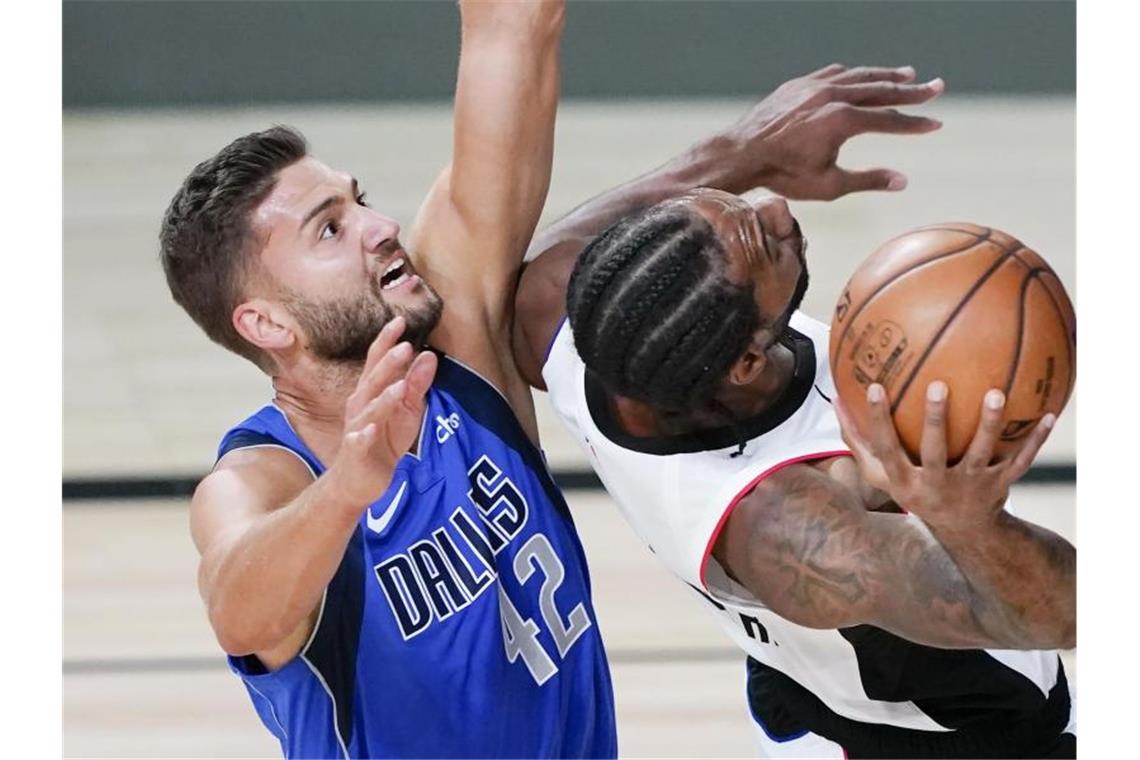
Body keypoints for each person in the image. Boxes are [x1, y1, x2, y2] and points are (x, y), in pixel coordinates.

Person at [513, 67, 1076, 757]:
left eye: (734, 206)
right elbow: (1066, 613)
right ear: (746, 363)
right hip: (944, 735)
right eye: (763, 242)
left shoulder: (585, 330)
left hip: (803, 697)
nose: (778, 211)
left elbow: (551, 264)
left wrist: (745, 149)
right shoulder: (790, 531)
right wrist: (968, 520)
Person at [160, 2, 616, 757]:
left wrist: (738, 154)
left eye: (359, 201)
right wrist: (347, 486)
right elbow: (238, 611)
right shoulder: (261, 481)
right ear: (268, 325)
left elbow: (514, 26)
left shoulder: (458, 349)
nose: (381, 227)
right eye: (330, 229)